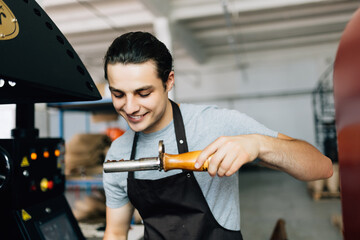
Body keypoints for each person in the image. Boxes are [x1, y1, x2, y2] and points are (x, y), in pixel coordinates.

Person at [102, 31, 333, 240]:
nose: (130, 107)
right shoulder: (119, 155)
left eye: (143, 93)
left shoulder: (214, 123)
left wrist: (258, 144)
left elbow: (321, 167)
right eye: (118, 94)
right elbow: (115, 233)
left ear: (169, 81)